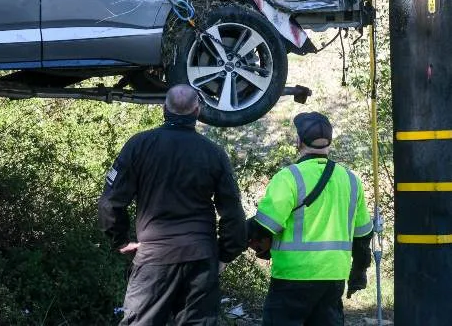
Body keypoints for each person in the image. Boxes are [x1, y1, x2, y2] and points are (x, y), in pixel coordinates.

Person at [98, 84, 246, 326]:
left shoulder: (139, 145)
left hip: (153, 258)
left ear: (164, 109)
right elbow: (232, 212)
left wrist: (120, 241)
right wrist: (226, 254)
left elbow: (110, 203)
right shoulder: (214, 153)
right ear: (197, 111)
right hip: (201, 258)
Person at [248, 111, 373, 326]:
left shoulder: (289, 177)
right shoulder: (351, 180)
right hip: (333, 278)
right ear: (329, 142)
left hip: (292, 277)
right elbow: (363, 234)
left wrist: (234, 242)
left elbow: (264, 226)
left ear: (299, 141)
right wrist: (359, 272)